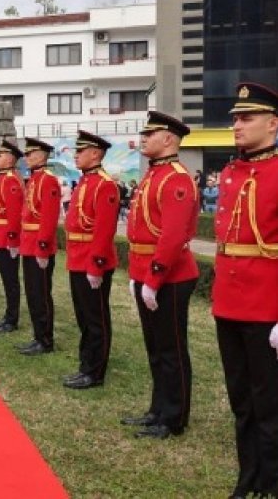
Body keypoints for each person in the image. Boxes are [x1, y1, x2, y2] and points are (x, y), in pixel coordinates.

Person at [212, 82, 278, 498]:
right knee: (241, 400)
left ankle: (272, 482)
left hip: (267, 305)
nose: (237, 124)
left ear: (272, 123)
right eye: (235, 117)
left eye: (246, 117)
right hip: (231, 304)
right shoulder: (235, 171)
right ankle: (248, 476)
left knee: (270, 403)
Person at [122, 110, 199, 439]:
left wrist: (152, 279)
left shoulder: (176, 178)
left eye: (149, 134)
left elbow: (171, 237)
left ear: (168, 139)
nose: (144, 138)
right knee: (155, 347)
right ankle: (157, 409)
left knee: (172, 350)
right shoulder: (154, 175)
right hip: (147, 273)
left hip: (171, 276)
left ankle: (174, 418)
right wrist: (137, 275)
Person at [62, 131, 119, 389]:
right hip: (77, 257)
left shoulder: (105, 184)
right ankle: (86, 364)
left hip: (92, 260)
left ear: (95, 153)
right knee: (83, 316)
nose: (76, 155)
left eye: (80, 151)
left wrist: (96, 264)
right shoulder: (86, 181)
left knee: (96, 318)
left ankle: (95, 371)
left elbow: (104, 230)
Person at [16, 137, 61, 355]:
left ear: (42, 155)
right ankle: (37, 336)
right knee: (33, 293)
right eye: (26, 154)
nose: (27, 157)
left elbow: (49, 218)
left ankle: (45, 340)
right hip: (28, 244)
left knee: (41, 294)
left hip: (38, 246)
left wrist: (43, 247)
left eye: (31, 153)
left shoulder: (48, 180)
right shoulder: (34, 179)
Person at [0, 140, 24, 333]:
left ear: (10, 159)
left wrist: (13, 240)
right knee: (6, 279)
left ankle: (12, 319)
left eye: (0, 155)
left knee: (11, 280)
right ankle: (8, 316)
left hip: (7, 239)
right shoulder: (3, 179)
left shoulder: (11, 181)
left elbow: (14, 215)